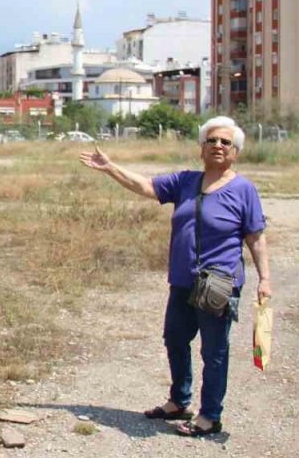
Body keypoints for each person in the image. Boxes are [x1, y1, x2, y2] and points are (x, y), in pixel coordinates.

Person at [78, 116, 272, 437]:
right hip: (182, 280)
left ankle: (210, 415)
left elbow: (256, 237)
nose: (218, 146)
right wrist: (110, 168)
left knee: (214, 351)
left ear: (235, 152)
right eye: (211, 140)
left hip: (217, 284)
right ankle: (180, 401)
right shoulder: (185, 182)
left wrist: (265, 279)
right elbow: (146, 186)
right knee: (175, 339)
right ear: (201, 148)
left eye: (225, 142)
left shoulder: (243, 189)